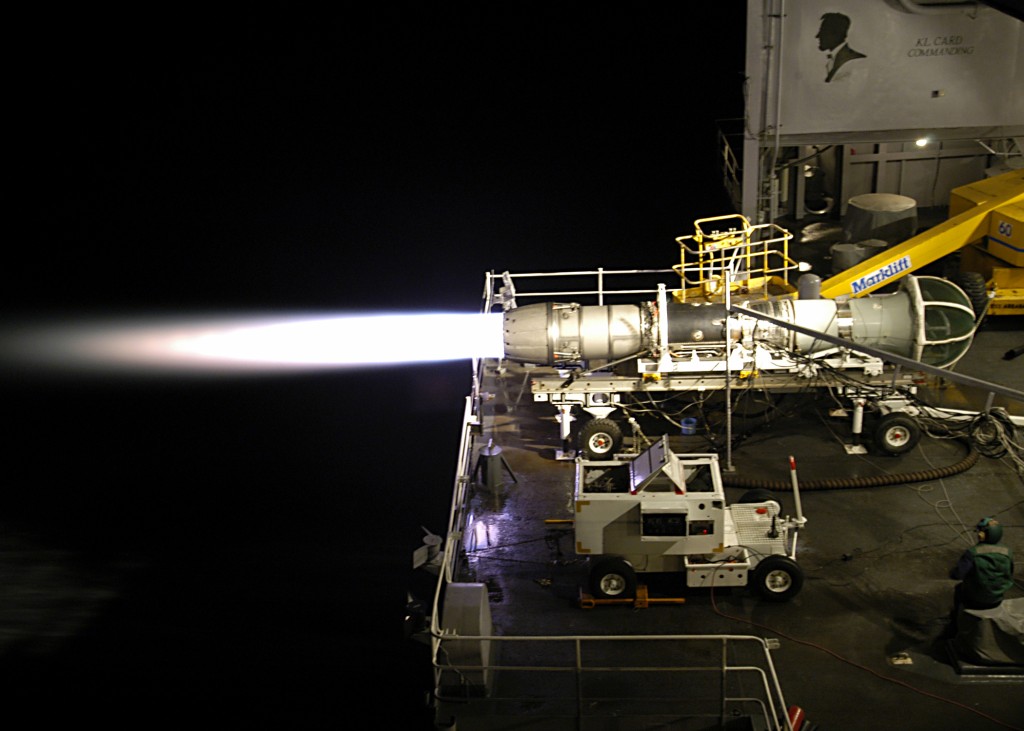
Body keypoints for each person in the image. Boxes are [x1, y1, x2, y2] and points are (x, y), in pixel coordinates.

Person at [950, 517, 1015, 612]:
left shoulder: (972, 553)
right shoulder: (1008, 552)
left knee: (959, 589)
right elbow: (1010, 572)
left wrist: (952, 573)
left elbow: (958, 575)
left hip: (975, 601)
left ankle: (958, 620)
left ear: (982, 535)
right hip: (997, 600)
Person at [815, 12, 866, 83]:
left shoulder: (856, 62)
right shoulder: (832, 61)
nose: (817, 36)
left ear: (835, 34)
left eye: (822, 31)